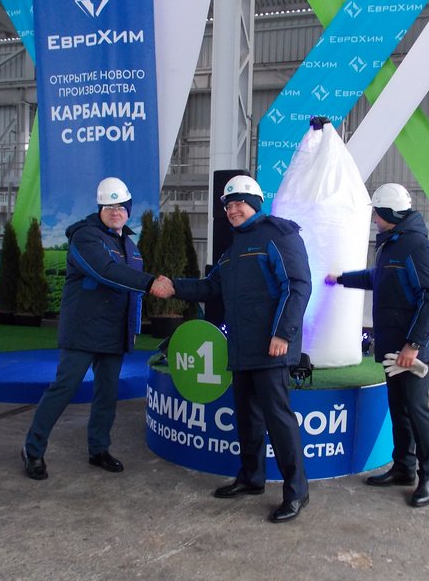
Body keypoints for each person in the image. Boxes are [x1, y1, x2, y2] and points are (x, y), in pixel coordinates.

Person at [161, 174, 312, 523]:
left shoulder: (278, 234)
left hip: (272, 348)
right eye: (228, 205)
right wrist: (174, 287)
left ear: (255, 203)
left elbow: (297, 286)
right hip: (242, 348)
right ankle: (251, 478)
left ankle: (297, 491)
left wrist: (283, 334)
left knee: (278, 420)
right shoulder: (233, 249)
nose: (232, 210)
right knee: (248, 417)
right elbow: (210, 287)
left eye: (239, 203)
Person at [21, 176, 173, 480]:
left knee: (107, 393)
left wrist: (132, 329)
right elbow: (105, 272)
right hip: (83, 331)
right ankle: (32, 449)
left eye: (121, 207)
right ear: (100, 209)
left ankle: (99, 449)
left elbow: (130, 294)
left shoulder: (130, 246)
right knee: (64, 388)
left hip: (114, 332)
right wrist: (150, 283)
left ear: (129, 209)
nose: (116, 212)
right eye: (109, 207)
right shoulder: (85, 237)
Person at [326, 183, 429, 507]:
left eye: (377, 214)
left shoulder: (417, 248)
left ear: (388, 214)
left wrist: (414, 345)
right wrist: (341, 279)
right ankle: (404, 467)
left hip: (411, 351)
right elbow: (378, 277)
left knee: (418, 411)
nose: (374, 219)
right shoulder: (392, 245)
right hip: (395, 349)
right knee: (400, 409)